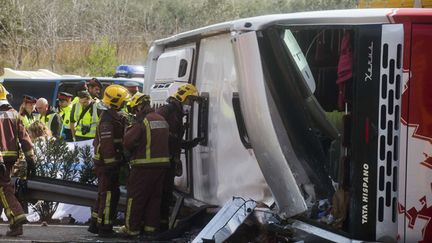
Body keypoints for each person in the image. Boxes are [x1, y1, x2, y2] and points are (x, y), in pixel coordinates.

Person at [118, 93, 169, 238]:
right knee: (154, 198)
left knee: (135, 198)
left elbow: (128, 142)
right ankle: (150, 230)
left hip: (143, 166)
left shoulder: (142, 121)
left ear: (139, 106)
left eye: (135, 109)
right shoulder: (161, 119)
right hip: (162, 167)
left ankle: (131, 230)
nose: (135, 112)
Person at [156, 83, 203, 229]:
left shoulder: (176, 112)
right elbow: (158, 135)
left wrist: (189, 144)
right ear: (184, 97)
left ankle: (162, 226)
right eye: (191, 100)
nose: (191, 104)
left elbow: (174, 139)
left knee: (166, 195)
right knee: (161, 194)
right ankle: (155, 227)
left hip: (168, 161)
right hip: (162, 161)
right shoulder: (168, 111)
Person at [88, 85, 130, 237]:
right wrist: (112, 165)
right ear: (117, 102)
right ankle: (105, 228)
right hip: (106, 164)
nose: (126, 103)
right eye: (124, 101)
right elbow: (107, 146)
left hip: (109, 163)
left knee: (104, 193)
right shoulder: (107, 119)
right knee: (109, 195)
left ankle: (95, 224)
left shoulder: (114, 116)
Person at [0, 84, 36, 236]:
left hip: (0, 159)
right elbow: (25, 139)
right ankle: (17, 227)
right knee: (3, 188)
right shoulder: (15, 114)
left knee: (4, 189)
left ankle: (17, 216)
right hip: (10, 159)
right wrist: (31, 159)